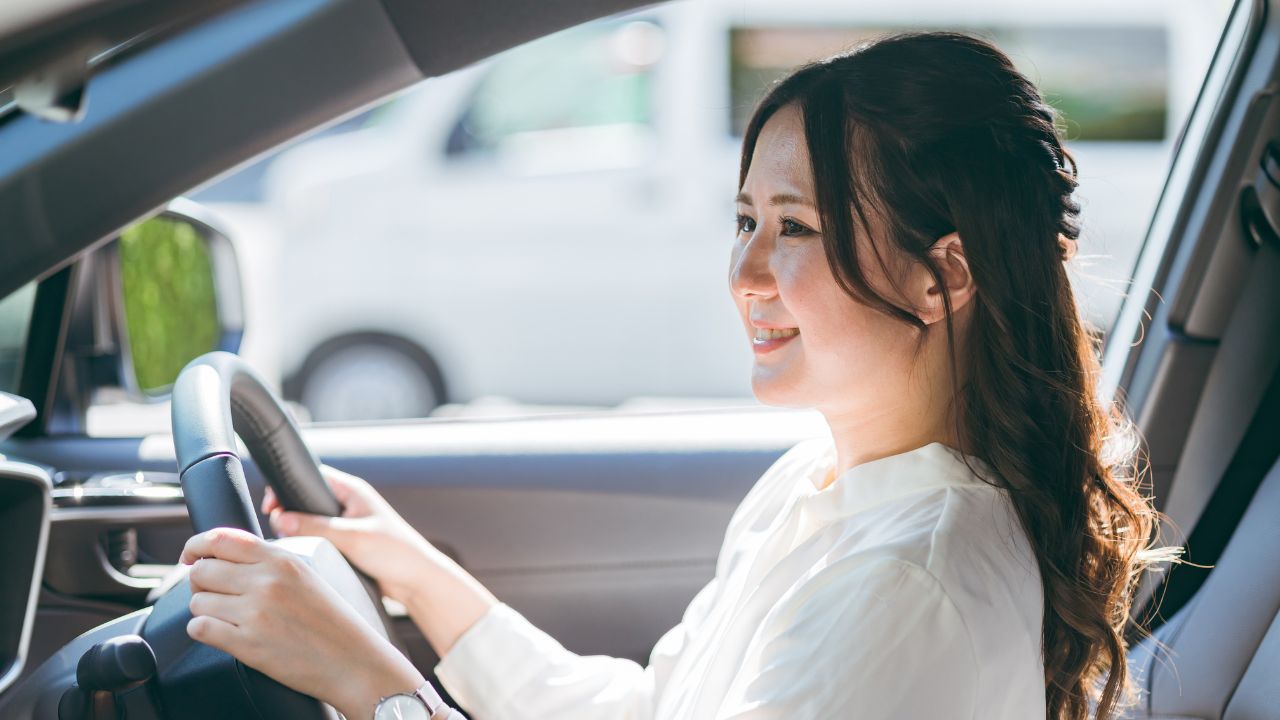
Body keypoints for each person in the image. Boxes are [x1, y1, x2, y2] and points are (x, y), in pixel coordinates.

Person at [178, 31, 1171, 720]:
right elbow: (652, 708)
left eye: (796, 228)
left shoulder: (911, 581)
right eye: (745, 221)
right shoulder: (816, 486)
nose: (741, 274)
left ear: (939, 274)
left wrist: (368, 682)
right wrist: (420, 579)